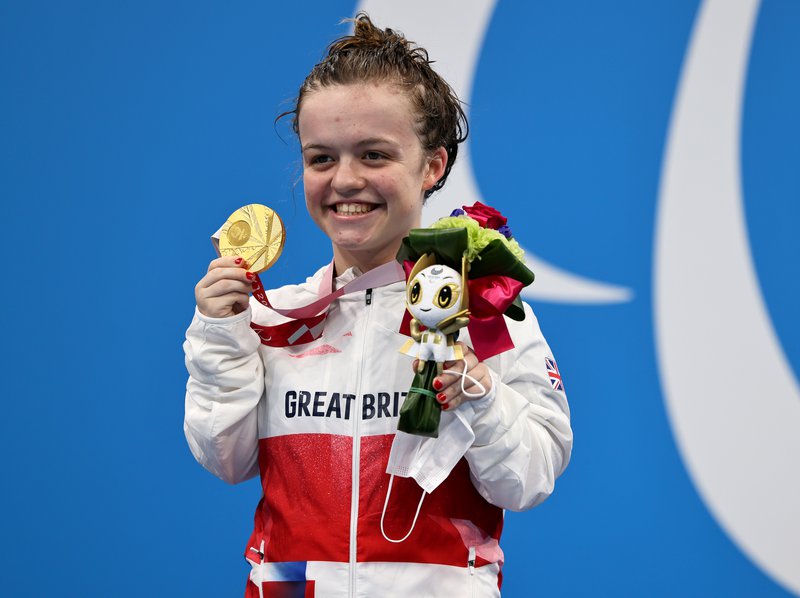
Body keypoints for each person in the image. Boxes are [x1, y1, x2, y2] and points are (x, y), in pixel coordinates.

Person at [184, 13, 572, 597]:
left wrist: (479, 391)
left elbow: (531, 480)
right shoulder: (270, 318)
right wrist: (218, 332)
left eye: (373, 155)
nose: (344, 179)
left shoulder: (483, 310)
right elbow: (224, 458)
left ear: (433, 166)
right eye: (321, 158)